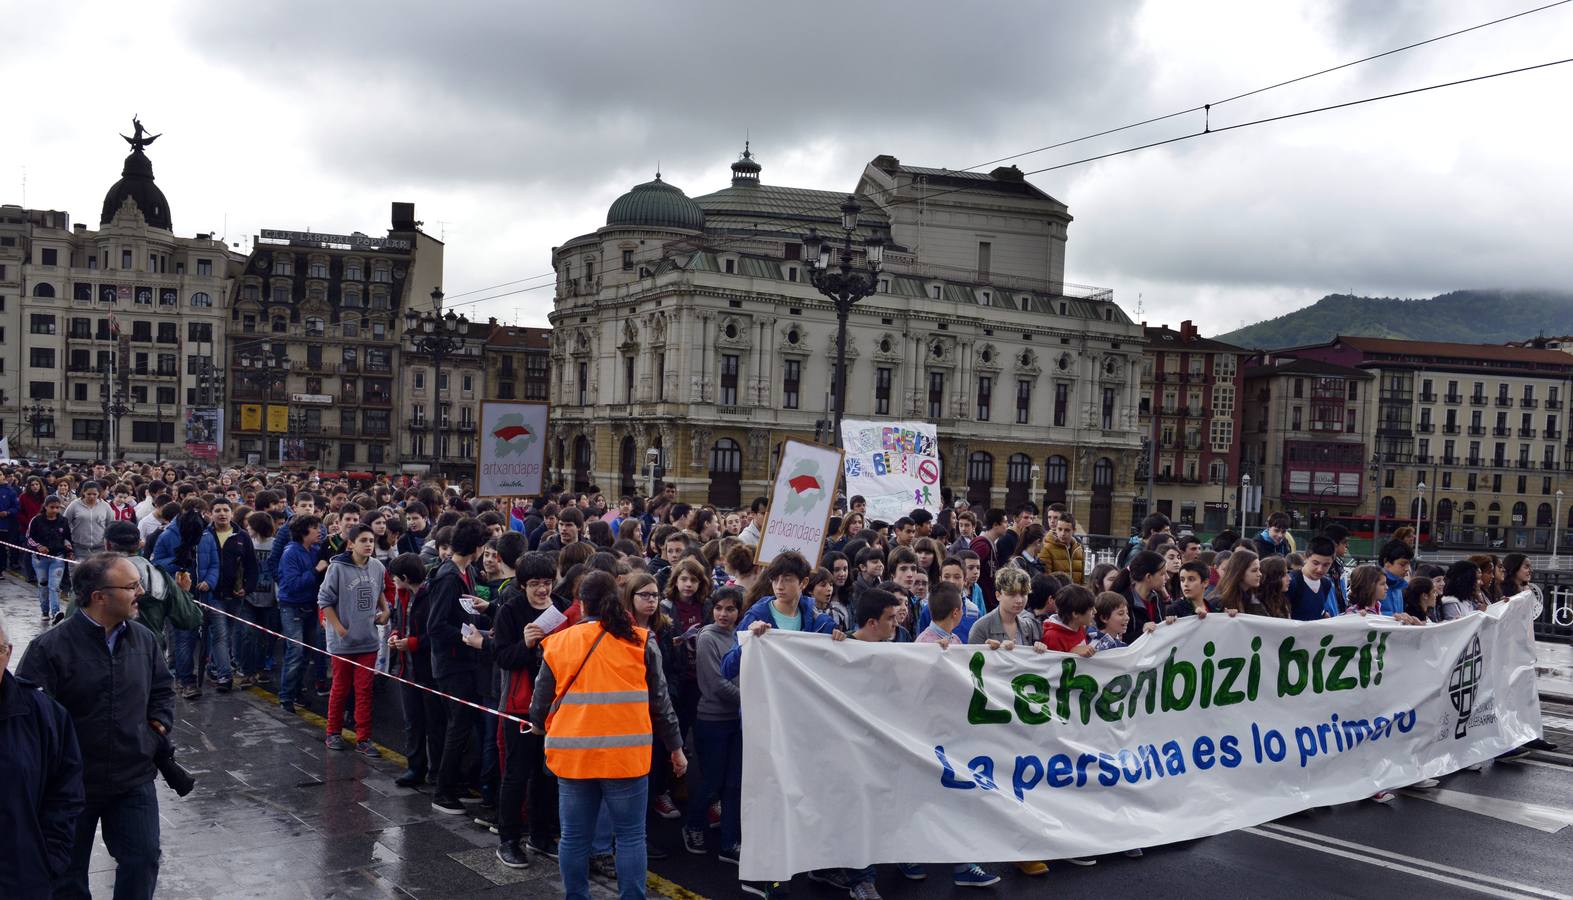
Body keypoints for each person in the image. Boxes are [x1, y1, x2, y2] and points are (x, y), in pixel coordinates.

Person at [19, 553, 176, 900]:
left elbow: (163, 690)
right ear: (99, 596)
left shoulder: (144, 639)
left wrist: (157, 729)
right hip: (71, 788)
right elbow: (27, 719)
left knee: (143, 859)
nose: (141, 593)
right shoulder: (48, 649)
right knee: (66, 874)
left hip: (133, 777)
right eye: (131, 586)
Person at [531, 570, 686, 900]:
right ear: (616, 600)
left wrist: (539, 726)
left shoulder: (558, 643)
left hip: (573, 757)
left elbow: (539, 703)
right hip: (626, 758)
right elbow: (661, 701)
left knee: (574, 837)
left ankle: (577, 896)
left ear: (582, 603)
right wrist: (676, 748)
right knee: (630, 836)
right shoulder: (640, 641)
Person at [835, 588, 1000, 894]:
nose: (896, 624)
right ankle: (862, 879)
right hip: (856, 746)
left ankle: (916, 857)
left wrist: (989, 655)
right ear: (872, 622)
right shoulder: (840, 645)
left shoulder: (895, 646)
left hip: (896, 741)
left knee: (910, 799)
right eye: (889, 619)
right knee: (861, 811)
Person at [0, 611, 85, 900]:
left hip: (22, 878)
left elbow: (66, 792)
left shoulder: (42, 714)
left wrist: (50, 859)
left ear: (7, 653)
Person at [492, 550, 565, 866]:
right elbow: (502, 658)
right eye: (535, 583)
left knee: (546, 774)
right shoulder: (510, 610)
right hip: (519, 706)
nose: (542, 590)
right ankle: (508, 839)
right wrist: (526, 645)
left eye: (547, 583)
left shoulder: (560, 608)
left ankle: (541, 835)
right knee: (517, 774)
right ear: (522, 585)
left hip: (554, 707)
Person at [428, 518, 494, 815]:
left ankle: (454, 783)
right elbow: (437, 625)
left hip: (465, 661)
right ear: (478, 548)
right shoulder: (448, 577)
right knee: (458, 727)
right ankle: (443, 791)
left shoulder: (465, 572)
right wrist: (470, 637)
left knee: (465, 726)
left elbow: (463, 612)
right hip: (452, 664)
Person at [682, 586, 744, 862]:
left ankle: (729, 842)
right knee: (712, 781)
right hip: (712, 721)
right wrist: (748, 701)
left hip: (736, 721)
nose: (723, 614)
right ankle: (693, 824)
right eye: (719, 608)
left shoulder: (740, 637)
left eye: (730, 609)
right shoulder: (707, 637)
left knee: (733, 785)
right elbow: (715, 684)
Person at [320, 524, 390, 756]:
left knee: (364, 689)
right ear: (351, 544)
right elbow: (325, 600)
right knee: (340, 688)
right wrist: (339, 627)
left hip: (368, 640)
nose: (369, 544)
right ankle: (333, 732)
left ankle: (363, 737)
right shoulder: (337, 568)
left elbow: (380, 591)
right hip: (343, 642)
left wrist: (385, 610)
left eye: (371, 540)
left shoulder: (378, 567)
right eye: (363, 540)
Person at [387, 553, 445, 789]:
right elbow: (397, 621)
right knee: (413, 721)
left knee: (434, 723)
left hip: (428, 670)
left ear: (404, 577)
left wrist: (413, 643)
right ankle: (415, 767)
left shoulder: (430, 597)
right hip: (406, 669)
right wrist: (394, 636)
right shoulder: (403, 596)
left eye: (395, 577)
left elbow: (436, 633)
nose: (392, 581)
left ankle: (437, 769)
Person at [276, 514, 325, 714]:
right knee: (294, 651)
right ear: (304, 532)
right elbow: (291, 584)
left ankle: (297, 691)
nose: (319, 531)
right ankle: (286, 696)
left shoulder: (314, 550)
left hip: (310, 606)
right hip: (292, 607)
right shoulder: (291, 553)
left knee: (306, 652)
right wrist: (315, 571)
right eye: (315, 528)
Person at [967, 567, 1045, 652]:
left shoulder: (1029, 626)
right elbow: (971, 661)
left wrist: (1040, 648)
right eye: (1012, 594)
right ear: (998, 595)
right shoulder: (981, 627)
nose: (1019, 600)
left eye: (1023, 594)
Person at [26, 495, 72, 623]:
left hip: (58, 557)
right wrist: (38, 546)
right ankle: (44, 610)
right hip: (40, 559)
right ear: (45, 507)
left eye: (57, 508)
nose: (55, 510)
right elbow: (29, 538)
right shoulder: (36, 520)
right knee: (43, 584)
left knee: (54, 585)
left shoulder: (63, 521)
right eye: (52, 507)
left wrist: (69, 549)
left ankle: (55, 611)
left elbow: (67, 537)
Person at [1286, 537, 1339, 621]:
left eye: (1326, 565)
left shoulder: (1326, 584)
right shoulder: (1291, 581)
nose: (1320, 569)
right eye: (1315, 563)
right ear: (1305, 558)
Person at [1041, 584, 1097, 655]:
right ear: (1075, 614)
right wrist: (1071, 653)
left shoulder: (1080, 627)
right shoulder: (1052, 637)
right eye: (1091, 609)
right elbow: (1052, 663)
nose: (1095, 611)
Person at [1038, 513, 1086, 584]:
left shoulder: (1078, 549)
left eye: (1067, 530)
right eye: (1060, 529)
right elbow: (1046, 579)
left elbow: (1081, 580)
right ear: (1055, 529)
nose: (1063, 533)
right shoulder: (1047, 548)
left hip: (1075, 593)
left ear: (1074, 530)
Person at [1376, 540, 1414, 616]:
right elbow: (1368, 613)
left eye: (1408, 564)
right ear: (1386, 562)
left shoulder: (1399, 585)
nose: (1407, 568)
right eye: (1402, 564)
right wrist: (1394, 617)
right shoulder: (1373, 583)